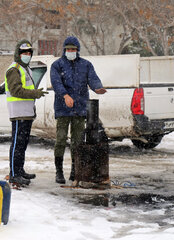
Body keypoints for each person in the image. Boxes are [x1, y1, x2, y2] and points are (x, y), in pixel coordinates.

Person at [50, 36, 107, 184]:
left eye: (73, 49)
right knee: (61, 139)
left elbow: (93, 78)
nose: (71, 51)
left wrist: (98, 87)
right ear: (64, 50)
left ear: (77, 50)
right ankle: (59, 171)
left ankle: (75, 170)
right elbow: (56, 83)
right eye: (68, 49)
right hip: (63, 108)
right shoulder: (57, 65)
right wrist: (65, 96)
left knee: (77, 142)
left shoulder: (85, 65)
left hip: (80, 109)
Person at [5, 39, 48, 186]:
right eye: (24, 52)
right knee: (17, 144)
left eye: (29, 52)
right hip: (18, 113)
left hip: (26, 113)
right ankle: (13, 174)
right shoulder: (14, 69)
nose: (27, 55)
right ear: (18, 53)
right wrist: (34, 94)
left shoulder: (26, 68)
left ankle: (19, 170)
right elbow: (15, 90)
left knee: (22, 144)